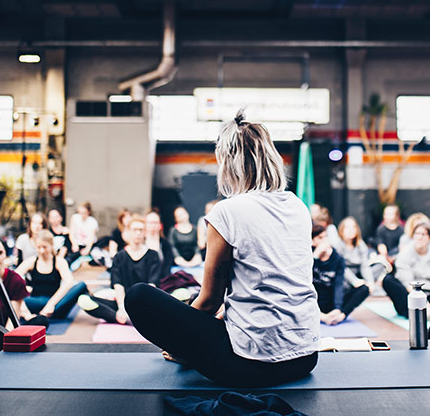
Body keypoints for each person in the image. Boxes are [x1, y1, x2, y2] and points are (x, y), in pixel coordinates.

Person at [125, 110, 319, 388]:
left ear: (228, 162)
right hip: (305, 357)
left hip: (251, 365)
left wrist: (183, 342)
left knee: (140, 296)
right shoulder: (298, 207)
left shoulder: (226, 211)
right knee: (190, 297)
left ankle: (185, 354)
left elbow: (209, 302)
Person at [78, 214, 162, 324]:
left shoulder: (153, 255)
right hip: (123, 301)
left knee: (180, 295)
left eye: (141, 230)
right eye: (135, 230)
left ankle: (133, 317)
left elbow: (152, 285)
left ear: (145, 232)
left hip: (146, 302)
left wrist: (145, 305)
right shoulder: (120, 257)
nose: (138, 233)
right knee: (84, 300)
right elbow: (118, 284)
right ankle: (120, 317)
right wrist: (121, 307)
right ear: (128, 232)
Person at [15, 230, 88, 319]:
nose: (42, 251)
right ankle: (33, 315)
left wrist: (51, 305)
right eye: (39, 247)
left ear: (51, 245)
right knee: (17, 300)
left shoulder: (59, 261)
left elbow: (69, 282)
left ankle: (46, 314)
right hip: (35, 302)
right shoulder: (32, 261)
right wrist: (24, 290)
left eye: (45, 247)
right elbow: (13, 278)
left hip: (56, 304)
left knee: (81, 285)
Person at [312, 224, 369, 324]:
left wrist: (337, 308)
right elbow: (304, 280)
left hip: (331, 301)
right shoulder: (309, 257)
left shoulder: (337, 258)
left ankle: (339, 316)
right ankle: (322, 317)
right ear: (313, 241)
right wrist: (315, 256)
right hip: (313, 302)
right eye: (320, 238)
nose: (325, 241)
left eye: (326, 237)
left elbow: (338, 285)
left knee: (364, 289)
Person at [0, 238, 36, 325]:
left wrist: (4, 337)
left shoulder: (15, 280)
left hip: (5, 331)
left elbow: (13, 319)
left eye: (0, 253)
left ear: (6, 254)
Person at [336, 216, 383, 291]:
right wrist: (354, 281)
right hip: (344, 275)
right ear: (341, 230)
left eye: (353, 227)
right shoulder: (338, 245)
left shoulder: (361, 245)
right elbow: (341, 267)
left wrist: (370, 282)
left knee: (380, 266)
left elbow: (364, 266)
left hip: (359, 272)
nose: (351, 230)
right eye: (347, 227)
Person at [145, 209, 175, 281]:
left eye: (155, 222)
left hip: (162, 281)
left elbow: (168, 266)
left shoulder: (165, 244)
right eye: (150, 223)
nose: (153, 225)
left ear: (160, 225)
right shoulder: (139, 242)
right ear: (145, 224)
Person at [68, 202, 99, 270]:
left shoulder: (92, 221)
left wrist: (88, 248)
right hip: (77, 244)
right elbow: (72, 233)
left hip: (88, 245)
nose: (82, 215)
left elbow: (91, 237)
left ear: (88, 212)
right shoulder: (75, 218)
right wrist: (74, 244)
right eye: (80, 212)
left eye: (84, 213)